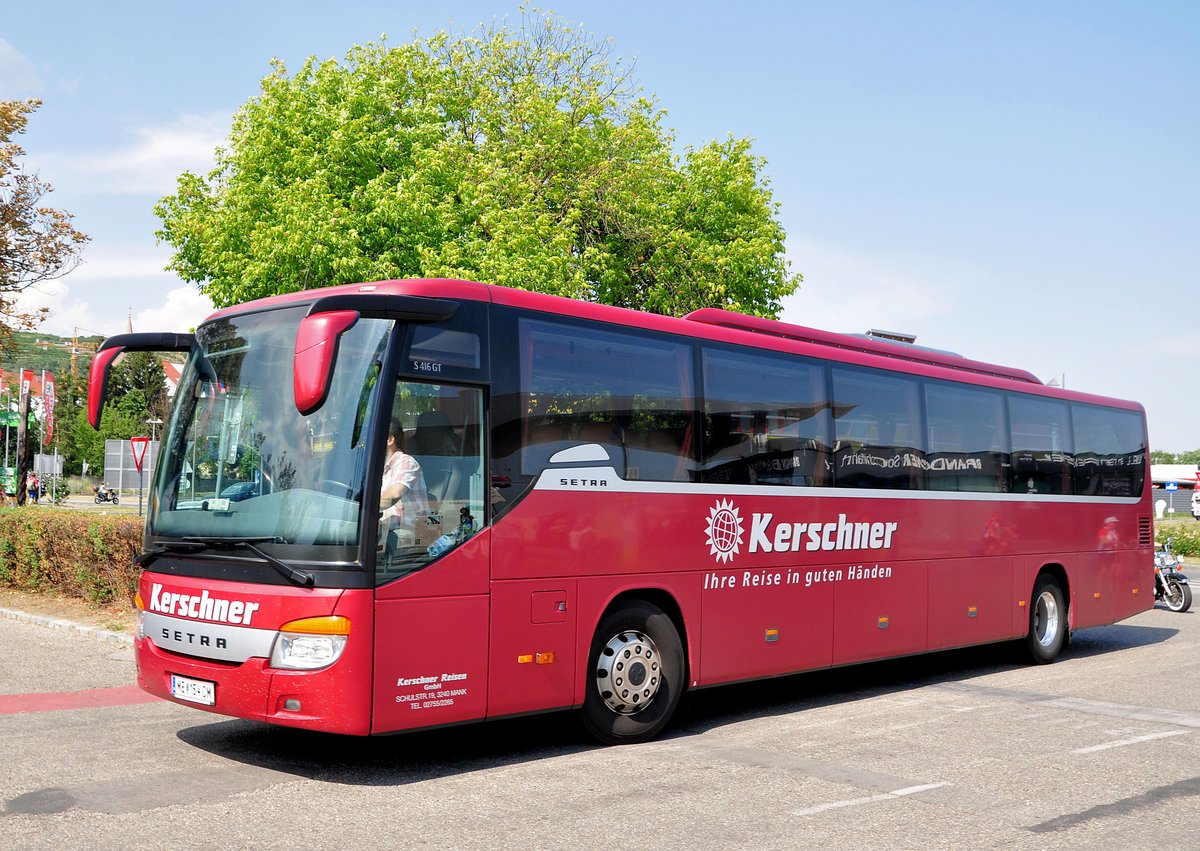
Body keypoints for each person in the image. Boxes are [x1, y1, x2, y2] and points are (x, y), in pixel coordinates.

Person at [380, 417, 431, 543]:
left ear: (390, 440)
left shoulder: (405, 462)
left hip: (407, 532)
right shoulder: (376, 467)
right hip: (383, 528)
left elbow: (395, 493)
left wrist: (363, 509)